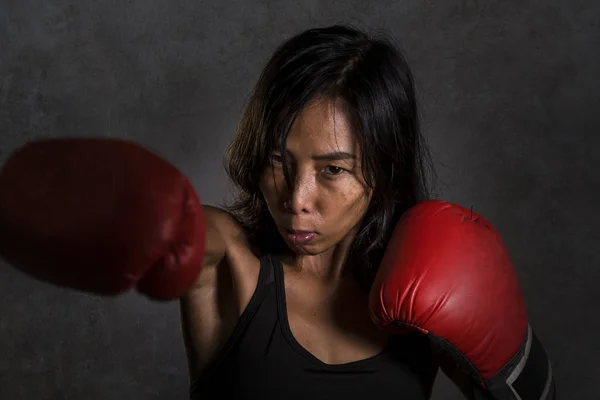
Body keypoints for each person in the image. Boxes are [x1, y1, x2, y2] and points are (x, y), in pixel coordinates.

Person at [0, 25, 555, 399]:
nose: (295, 198)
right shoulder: (229, 263)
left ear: (383, 167)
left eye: (332, 170)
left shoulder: (422, 286)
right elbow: (189, 226)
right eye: (277, 161)